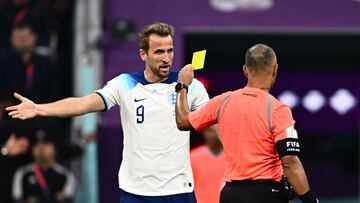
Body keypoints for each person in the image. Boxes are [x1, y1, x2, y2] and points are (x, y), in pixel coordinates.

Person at [6, 22, 222, 203]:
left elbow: (215, 123)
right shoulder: (124, 84)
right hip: (137, 192)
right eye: (159, 52)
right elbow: (82, 104)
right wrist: (38, 108)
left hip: (179, 190)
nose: (166, 58)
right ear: (143, 54)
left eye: (170, 50)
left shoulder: (190, 86)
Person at [175, 44, 319, 203]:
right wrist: (309, 199)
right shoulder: (278, 110)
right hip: (265, 195)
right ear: (275, 69)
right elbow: (289, 162)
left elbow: (182, 121)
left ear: (245, 70)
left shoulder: (223, 102)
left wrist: (182, 86)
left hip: (230, 195)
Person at [12, 130, 76, 203]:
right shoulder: (22, 173)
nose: (41, 148)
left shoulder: (65, 175)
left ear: (54, 147)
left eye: (46, 143)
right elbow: (17, 199)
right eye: (36, 144)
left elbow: (67, 198)